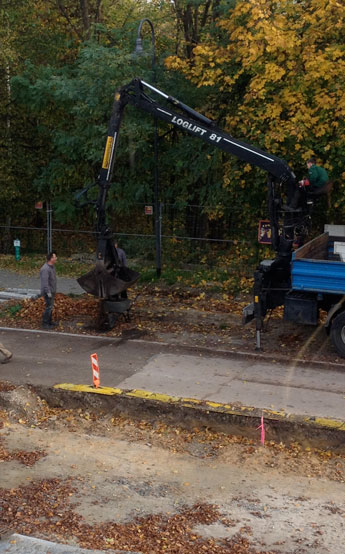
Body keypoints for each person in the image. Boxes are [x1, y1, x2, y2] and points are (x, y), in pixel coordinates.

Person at [40, 251, 58, 330]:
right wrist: (48, 293)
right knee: (48, 307)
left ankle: (50, 321)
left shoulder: (52, 267)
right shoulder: (45, 269)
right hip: (48, 292)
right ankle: (45, 323)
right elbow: (45, 283)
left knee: (50, 307)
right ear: (51, 258)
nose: (56, 258)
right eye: (55, 257)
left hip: (52, 291)